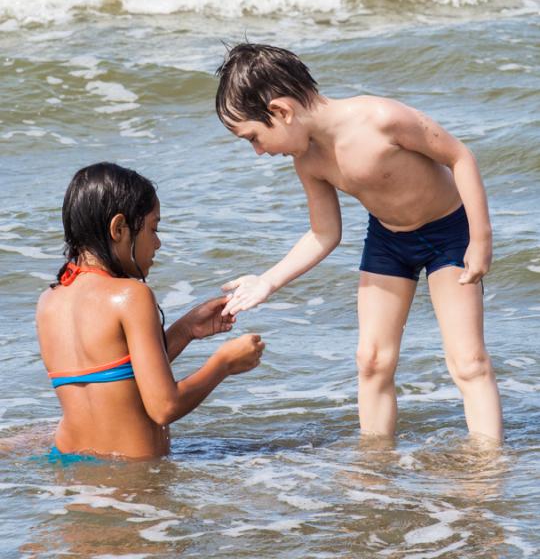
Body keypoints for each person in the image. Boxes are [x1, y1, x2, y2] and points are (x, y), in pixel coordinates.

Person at [215, 43, 503, 443]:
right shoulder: (309, 161)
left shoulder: (381, 119)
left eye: (254, 138)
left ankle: (487, 465)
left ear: (281, 112)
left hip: (449, 235)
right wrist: (268, 281)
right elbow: (324, 233)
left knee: (468, 361)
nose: (260, 152)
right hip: (388, 242)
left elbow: (460, 157)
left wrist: (481, 239)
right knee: (371, 360)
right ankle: (375, 466)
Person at [36, 162, 264, 460]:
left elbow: (118, 378)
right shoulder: (132, 296)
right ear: (119, 228)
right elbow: (164, 406)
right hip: (131, 481)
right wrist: (224, 363)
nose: (157, 243)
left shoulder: (49, 301)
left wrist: (185, 330)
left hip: (72, 470)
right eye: (153, 229)